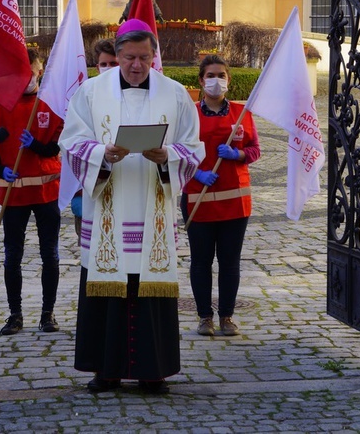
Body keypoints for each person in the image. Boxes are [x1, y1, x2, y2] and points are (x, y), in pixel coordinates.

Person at [59, 19, 205, 394]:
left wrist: (167, 155)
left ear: (155, 56)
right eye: (128, 57)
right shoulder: (91, 92)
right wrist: (101, 154)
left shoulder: (174, 94)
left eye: (143, 57)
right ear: (117, 55)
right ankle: (105, 371)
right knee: (107, 291)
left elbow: (194, 146)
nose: (136, 65)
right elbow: (71, 141)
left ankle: (151, 372)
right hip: (108, 201)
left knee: (148, 290)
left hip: (153, 205)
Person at [181, 55, 260, 337]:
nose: (217, 80)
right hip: (198, 198)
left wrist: (237, 154)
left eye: (222, 75)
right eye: (211, 75)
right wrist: (195, 173)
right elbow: (176, 153)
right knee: (201, 261)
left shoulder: (242, 114)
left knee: (230, 262)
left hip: (235, 202)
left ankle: (226, 316)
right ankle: (204, 316)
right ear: (201, 81)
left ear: (229, 79)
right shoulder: (187, 114)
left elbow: (254, 150)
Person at [0, 48, 62, 335]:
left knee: (50, 254)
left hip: (45, 191)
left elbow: (56, 146)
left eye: (30, 72)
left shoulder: (51, 103)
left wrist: (35, 146)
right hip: (14, 192)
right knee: (12, 255)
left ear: (40, 72)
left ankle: (48, 314)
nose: (26, 78)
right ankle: (15, 314)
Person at [71, 39, 119, 242]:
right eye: (103, 64)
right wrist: (99, 152)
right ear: (96, 66)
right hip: (92, 181)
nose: (108, 68)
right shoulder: (85, 95)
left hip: (124, 183)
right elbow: (74, 139)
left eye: (113, 64)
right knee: (90, 246)